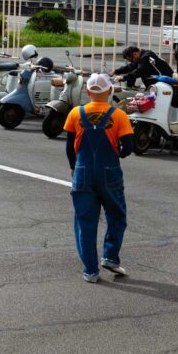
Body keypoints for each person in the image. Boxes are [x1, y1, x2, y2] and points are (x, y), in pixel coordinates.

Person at [63, 73, 134, 283]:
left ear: (87, 92)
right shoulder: (119, 115)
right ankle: (110, 256)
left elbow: (69, 148)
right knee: (116, 216)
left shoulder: (76, 113)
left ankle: (90, 271)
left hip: (82, 173)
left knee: (85, 223)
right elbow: (128, 146)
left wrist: (72, 168)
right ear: (110, 91)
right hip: (109, 172)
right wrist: (119, 153)